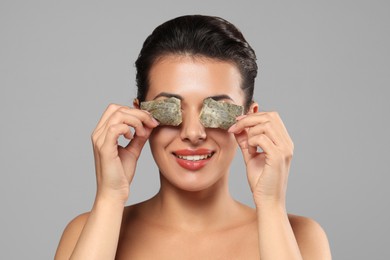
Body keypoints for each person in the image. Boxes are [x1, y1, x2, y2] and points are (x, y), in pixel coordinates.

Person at [55, 15, 331, 259]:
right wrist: (110, 197)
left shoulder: (302, 237)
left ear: (250, 117)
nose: (193, 133)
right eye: (169, 108)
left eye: (217, 109)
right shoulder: (85, 231)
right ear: (140, 115)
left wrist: (271, 205)